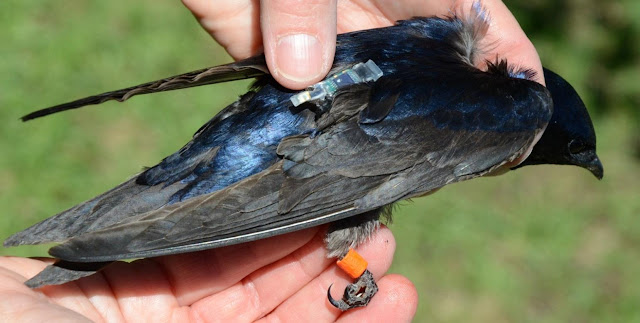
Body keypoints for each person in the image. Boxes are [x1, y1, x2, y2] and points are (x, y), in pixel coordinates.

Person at [0, 0, 542, 321]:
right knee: (357, 233)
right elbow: (347, 191)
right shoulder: (515, 113)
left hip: (282, 110)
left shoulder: (442, 31)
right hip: (297, 160)